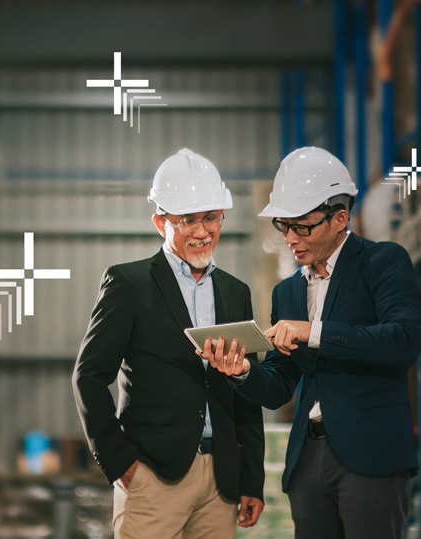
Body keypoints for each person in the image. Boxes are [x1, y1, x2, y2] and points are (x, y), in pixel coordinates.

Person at [201, 146, 421, 539]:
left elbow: (403, 341)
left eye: (302, 227)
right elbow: (280, 385)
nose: (290, 238)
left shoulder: (382, 262)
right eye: (283, 226)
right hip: (309, 462)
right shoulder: (287, 292)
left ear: (340, 219)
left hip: (370, 456)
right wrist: (243, 372)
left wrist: (314, 331)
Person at [73, 149, 266, 538]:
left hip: (221, 483)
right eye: (188, 220)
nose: (202, 231)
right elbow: (88, 377)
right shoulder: (128, 285)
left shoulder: (236, 292)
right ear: (160, 222)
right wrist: (120, 464)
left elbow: (246, 396)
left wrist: (252, 478)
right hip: (152, 477)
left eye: (211, 217)